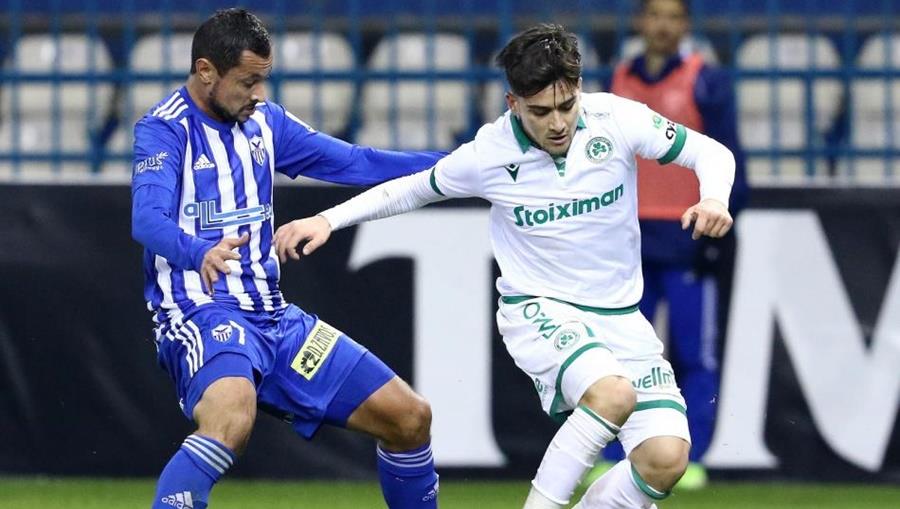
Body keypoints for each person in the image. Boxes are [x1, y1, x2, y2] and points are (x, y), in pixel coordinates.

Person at [275, 23, 735, 509]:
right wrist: (328, 219)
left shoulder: (616, 118)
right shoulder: (490, 153)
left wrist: (714, 198)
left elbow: (711, 152)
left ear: (579, 88)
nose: (557, 123)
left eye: (566, 105)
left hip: (621, 316)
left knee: (665, 458)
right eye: (540, 111)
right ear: (513, 103)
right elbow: (410, 189)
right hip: (541, 309)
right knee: (612, 395)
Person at [131, 9, 444, 509]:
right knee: (231, 415)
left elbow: (355, 162)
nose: (259, 93)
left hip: (275, 321)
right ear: (206, 71)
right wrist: (198, 250)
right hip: (200, 312)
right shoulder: (165, 129)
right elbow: (147, 220)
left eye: (263, 80)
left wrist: (460, 168)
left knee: (410, 418)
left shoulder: (266, 122)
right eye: (247, 82)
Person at [594, 0, 749, 489]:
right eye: (655, 14)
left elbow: (729, 156)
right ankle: (618, 452)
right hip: (629, 240)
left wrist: (720, 229)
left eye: (672, 16)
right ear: (641, 21)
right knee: (617, 355)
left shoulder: (706, 81)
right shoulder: (615, 78)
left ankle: (691, 456)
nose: (662, 25)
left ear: (685, 25)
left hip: (687, 238)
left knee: (693, 353)